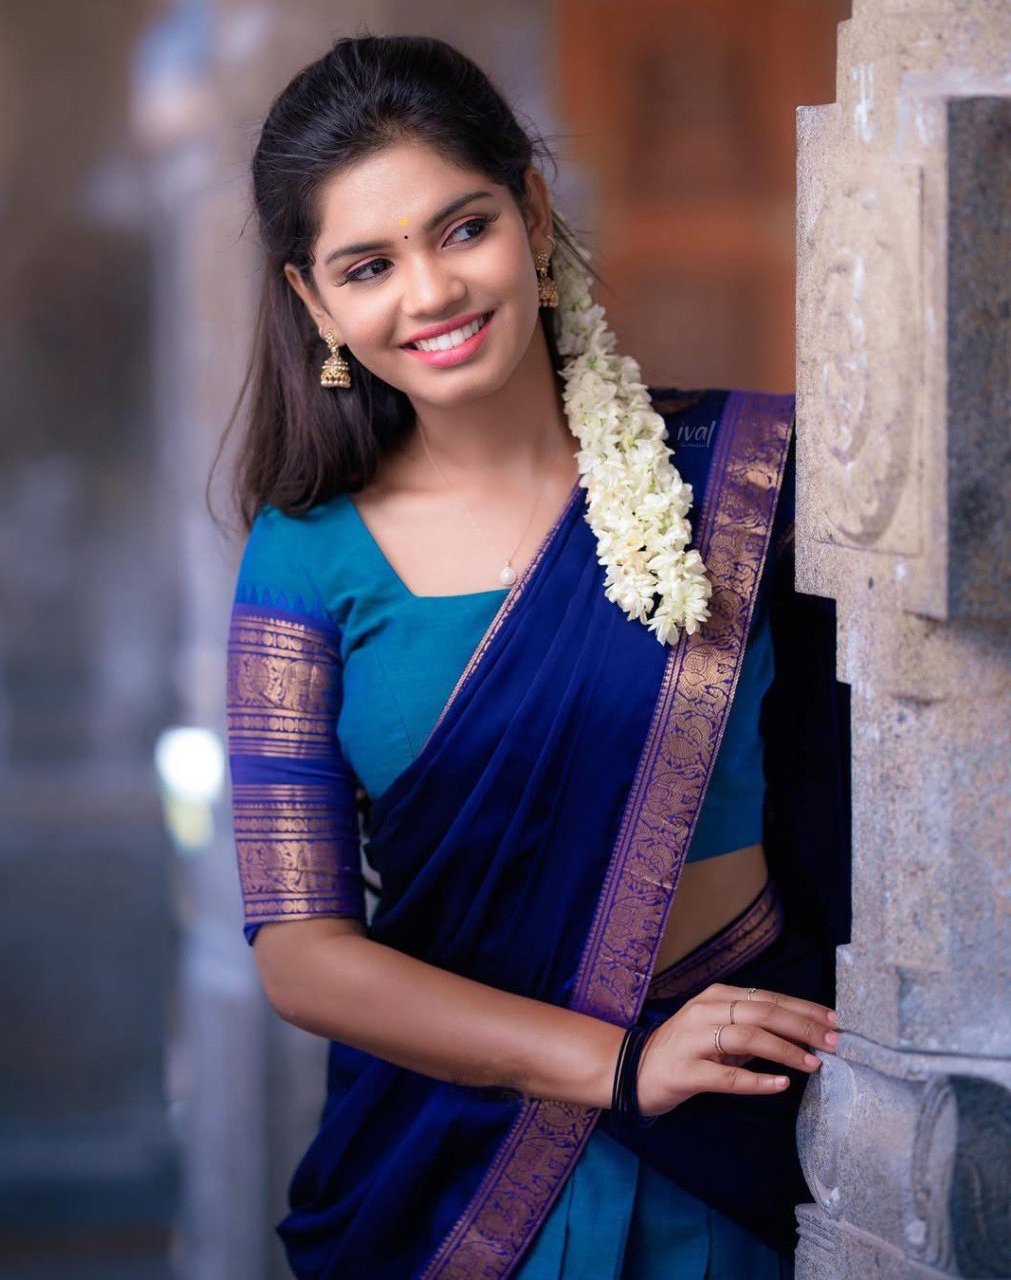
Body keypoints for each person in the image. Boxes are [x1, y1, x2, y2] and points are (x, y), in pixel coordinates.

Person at [214, 31, 851, 1280]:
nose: (431, 291)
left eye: (461, 228)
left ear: (535, 209)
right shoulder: (303, 560)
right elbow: (299, 946)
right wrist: (612, 1063)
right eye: (367, 264)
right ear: (313, 303)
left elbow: (859, 794)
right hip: (454, 1157)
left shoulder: (745, 480)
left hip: (743, 1127)